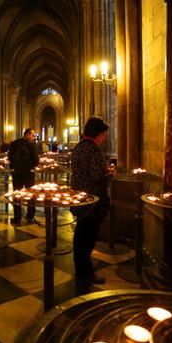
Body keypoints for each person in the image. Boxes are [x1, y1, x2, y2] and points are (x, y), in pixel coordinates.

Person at [70, 116, 113, 292]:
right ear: (97, 134)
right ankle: (84, 272)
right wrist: (109, 173)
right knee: (86, 237)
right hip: (92, 202)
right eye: (103, 135)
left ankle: (82, 268)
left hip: (81, 199)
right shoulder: (92, 149)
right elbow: (96, 175)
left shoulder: (79, 147)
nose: (104, 138)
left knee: (82, 234)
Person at [8, 128, 39, 225]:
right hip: (28, 173)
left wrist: (15, 168)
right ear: (27, 134)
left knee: (17, 195)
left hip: (17, 173)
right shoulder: (32, 145)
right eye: (33, 135)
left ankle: (17, 217)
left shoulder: (14, 143)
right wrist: (28, 167)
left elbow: (10, 158)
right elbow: (36, 160)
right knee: (30, 195)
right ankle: (30, 215)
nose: (33, 138)